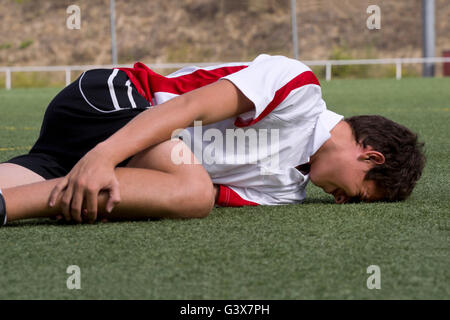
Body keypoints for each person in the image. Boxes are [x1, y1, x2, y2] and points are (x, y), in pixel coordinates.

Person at [0, 54, 425, 226]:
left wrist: (104, 170)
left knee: (191, 189)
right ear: (370, 155)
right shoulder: (299, 89)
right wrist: (104, 156)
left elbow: (156, 192)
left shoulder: (286, 194)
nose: (342, 201)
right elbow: (189, 111)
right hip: (117, 99)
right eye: (359, 194)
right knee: (194, 191)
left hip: (112, 158)